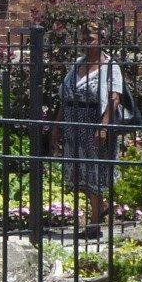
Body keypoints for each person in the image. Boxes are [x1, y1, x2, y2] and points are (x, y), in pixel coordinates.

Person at [53, 23, 125, 237]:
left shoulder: (110, 66)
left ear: (101, 40)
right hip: (73, 125)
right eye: (83, 38)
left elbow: (114, 98)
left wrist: (103, 126)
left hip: (94, 124)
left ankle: (94, 224)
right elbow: (65, 96)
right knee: (78, 174)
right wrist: (57, 124)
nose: (86, 42)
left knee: (95, 173)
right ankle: (101, 207)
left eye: (90, 38)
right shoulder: (78, 64)